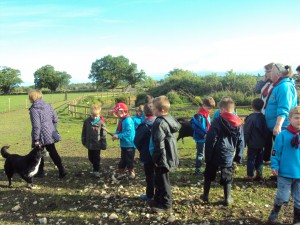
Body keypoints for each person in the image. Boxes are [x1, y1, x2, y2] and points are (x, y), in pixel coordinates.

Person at [200, 97, 244, 206]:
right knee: (227, 174)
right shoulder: (238, 123)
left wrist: (208, 156)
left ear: (223, 110)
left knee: (209, 172)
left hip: (216, 152)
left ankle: (205, 195)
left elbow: (211, 139)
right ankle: (227, 198)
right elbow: (241, 141)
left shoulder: (217, 121)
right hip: (229, 153)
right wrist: (238, 156)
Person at [268, 106, 300, 224]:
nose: (299, 120)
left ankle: (297, 219)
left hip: (299, 174)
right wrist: (274, 166)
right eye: (296, 118)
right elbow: (275, 152)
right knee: (282, 196)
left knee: (299, 198)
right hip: (285, 172)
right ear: (290, 119)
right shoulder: (283, 135)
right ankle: (274, 214)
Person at [150, 95, 179, 213]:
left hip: (163, 157)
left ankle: (166, 205)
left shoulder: (159, 122)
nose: (152, 110)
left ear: (161, 110)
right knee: (158, 179)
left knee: (163, 181)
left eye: (154, 108)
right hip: (168, 155)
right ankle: (157, 199)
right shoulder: (169, 118)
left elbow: (159, 143)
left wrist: (157, 160)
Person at [28, 89, 66, 178]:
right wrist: (52, 129)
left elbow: (36, 126)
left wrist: (36, 139)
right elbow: (55, 119)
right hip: (49, 133)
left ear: (32, 97)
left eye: (29, 96)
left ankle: (40, 172)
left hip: (41, 134)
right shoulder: (48, 105)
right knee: (53, 151)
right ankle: (61, 169)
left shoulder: (34, 109)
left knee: (38, 152)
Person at [265, 63, 297, 137]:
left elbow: (284, 107)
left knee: (283, 148)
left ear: (277, 73)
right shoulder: (278, 86)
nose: (270, 75)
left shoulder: (284, 87)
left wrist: (278, 125)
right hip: (278, 129)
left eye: (271, 72)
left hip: (282, 129)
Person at [134, 102, 156, 201]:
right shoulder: (159, 123)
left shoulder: (143, 126)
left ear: (144, 113)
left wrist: (142, 150)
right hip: (159, 155)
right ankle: (159, 194)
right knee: (159, 174)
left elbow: (137, 141)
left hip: (147, 155)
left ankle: (150, 195)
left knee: (149, 176)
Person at [213, 97, 242, 169]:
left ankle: (225, 165)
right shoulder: (235, 116)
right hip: (232, 141)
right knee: (231, 152)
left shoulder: (217, 114)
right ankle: (231, 164)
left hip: (221, 139)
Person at [243, 98, 269, 181]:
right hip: (261, 143)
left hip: (252, 143)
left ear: (253, 106)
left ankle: (250, 175)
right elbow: (266, 131)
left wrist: (244, 142)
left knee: (251, 159)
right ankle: (259, 175)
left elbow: (247, 131)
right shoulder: (264, 118)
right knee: (259, 159)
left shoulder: (251, 118)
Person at [254, 63, 274, 164]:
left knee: (274, 138)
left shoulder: (277, 84)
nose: (266, 73)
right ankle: (266, 158)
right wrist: (263, 80)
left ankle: (274, 158)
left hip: (272, 115)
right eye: (265, 71)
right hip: (263, 113)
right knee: (266, 137)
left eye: (268, 71)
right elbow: (256, 90)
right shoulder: (266, 83)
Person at [190, 96, 215, 175]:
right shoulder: (199, 115)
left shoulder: (207, 114)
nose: (210, 110)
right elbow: (195, 127)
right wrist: (203, 134)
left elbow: (209, 125)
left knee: (208, 152)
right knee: (200, 153)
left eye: (211, 108)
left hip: (207, 137)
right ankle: (197, 169)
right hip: (201, 138)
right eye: (208, 108)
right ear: (203, 105)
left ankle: (207, 167)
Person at [111, 102, 136, 179]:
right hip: (123, 144)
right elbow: (118, 130)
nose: (116, 114)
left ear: (122, 112)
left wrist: (118, 136)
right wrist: (116, 135)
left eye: (116, 112)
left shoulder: (128, 121)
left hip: (129, 144)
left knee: (129, 159)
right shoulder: (121, 120)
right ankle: (121, 171)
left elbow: (128, 133)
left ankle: (131, 171)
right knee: (123, 159)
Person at [81, 104, 107, 177]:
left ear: (99, 114)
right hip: (89, 144)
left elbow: (103, 135)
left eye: (96, 115)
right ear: (91, 114)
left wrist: (103, 144)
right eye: (93, 115)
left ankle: (96, 170)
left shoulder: (101, 123)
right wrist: (83, 140)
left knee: (96, 157)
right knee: (90, 157)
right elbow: (84, 132)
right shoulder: (86, 122)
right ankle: (96, 165)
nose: (95, 117)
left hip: (97, 144)